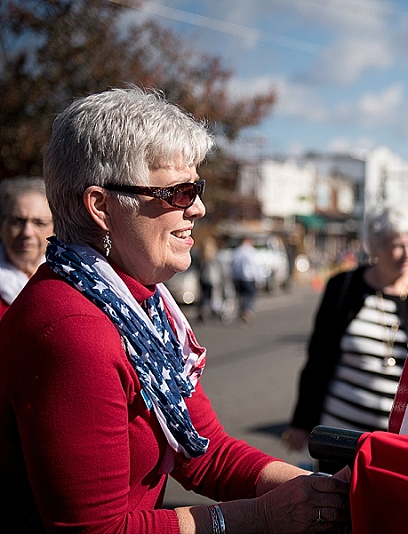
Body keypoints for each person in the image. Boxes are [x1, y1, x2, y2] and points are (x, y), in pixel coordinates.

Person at [0, 87, 350, 532]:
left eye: (196, 188)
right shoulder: (72, 329)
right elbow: (98, 530)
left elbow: (205, 452)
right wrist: (261, 515)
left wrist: (315, 491)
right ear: (101, 206)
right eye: (177, 193)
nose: (198, 207)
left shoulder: (138, 302)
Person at [284, 202, 408, 461]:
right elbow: (317, 357)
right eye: (398, 245)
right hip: (341, 438)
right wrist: (301, 422)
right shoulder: (343, 287)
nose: (407, 253)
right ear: (376, 247)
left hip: (397, 445)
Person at [0, 176, 52, 319]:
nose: (27, 232)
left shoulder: (70, 280)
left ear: (55, 228)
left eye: (39, 223)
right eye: (17, 221)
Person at [230, 235, 259, 324]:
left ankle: (242, 310)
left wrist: (233, 276)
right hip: (248, 278)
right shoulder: (251, 252)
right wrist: (259, 279)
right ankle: (246, 310)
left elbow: (232, 265)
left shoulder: (237, 251)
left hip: (238, 278)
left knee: (241, 296)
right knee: (250, 295)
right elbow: (255, 266)